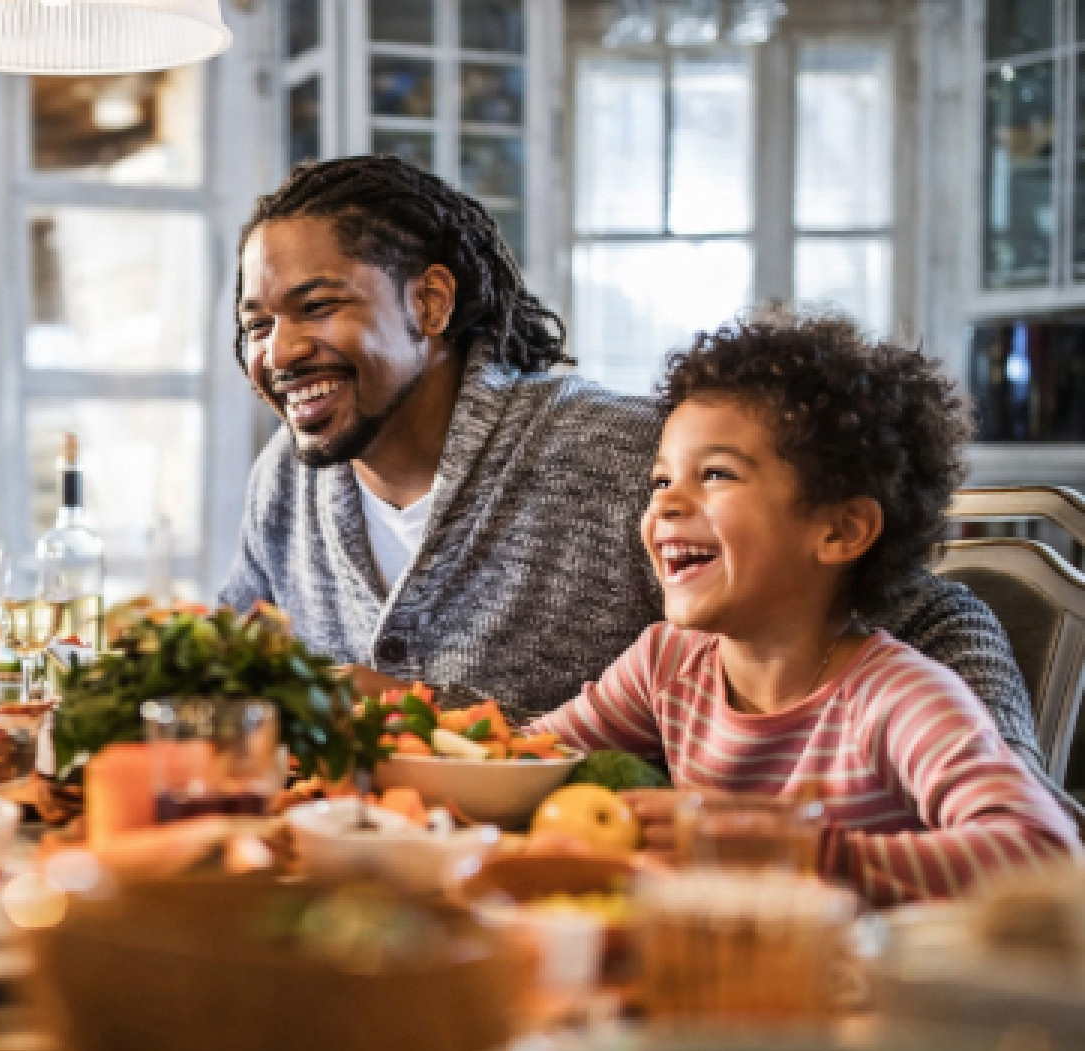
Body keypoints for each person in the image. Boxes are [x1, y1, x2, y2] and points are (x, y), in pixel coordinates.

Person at [218, 154, 1053, 792]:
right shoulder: (284, 481)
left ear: (430, 304)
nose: (278, 352)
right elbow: (235, 649)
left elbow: (929, 613)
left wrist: (1000, 779)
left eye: (318, 307)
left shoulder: (627, 460)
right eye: (256, 323)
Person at [522, 315, 1080, 903]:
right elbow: (522, 763)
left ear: (840, 531)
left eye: (715, 474)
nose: (667, 504)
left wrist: (805, 850)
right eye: (661, 481)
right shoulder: (667, 664)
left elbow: (1045, 855)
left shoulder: (897, 697)